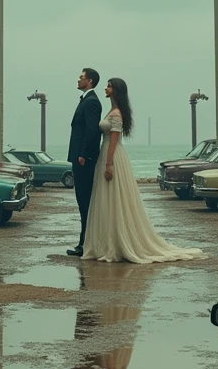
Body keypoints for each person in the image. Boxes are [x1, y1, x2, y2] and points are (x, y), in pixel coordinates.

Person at [82, 78, 203, 264]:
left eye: (108, 86)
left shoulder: (116, 114)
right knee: (107, 199)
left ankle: (115, 243)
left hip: (111, 155)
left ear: (115, 90)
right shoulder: (112, 111)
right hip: (106, 154)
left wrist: (108, 164)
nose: (105, 88)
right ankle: (105, 242)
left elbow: (113, 141)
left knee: (114, 197)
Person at [66, 67, 102, 257]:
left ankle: (84, 244)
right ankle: (85, 242)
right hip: (79, 157)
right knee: (82, 202)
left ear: (89, 82)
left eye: (81, 77)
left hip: (83, 160)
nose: (78, 80)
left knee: (84, 201)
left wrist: (83, 155)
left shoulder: (91, 102)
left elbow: (92, 131)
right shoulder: (87, 100)